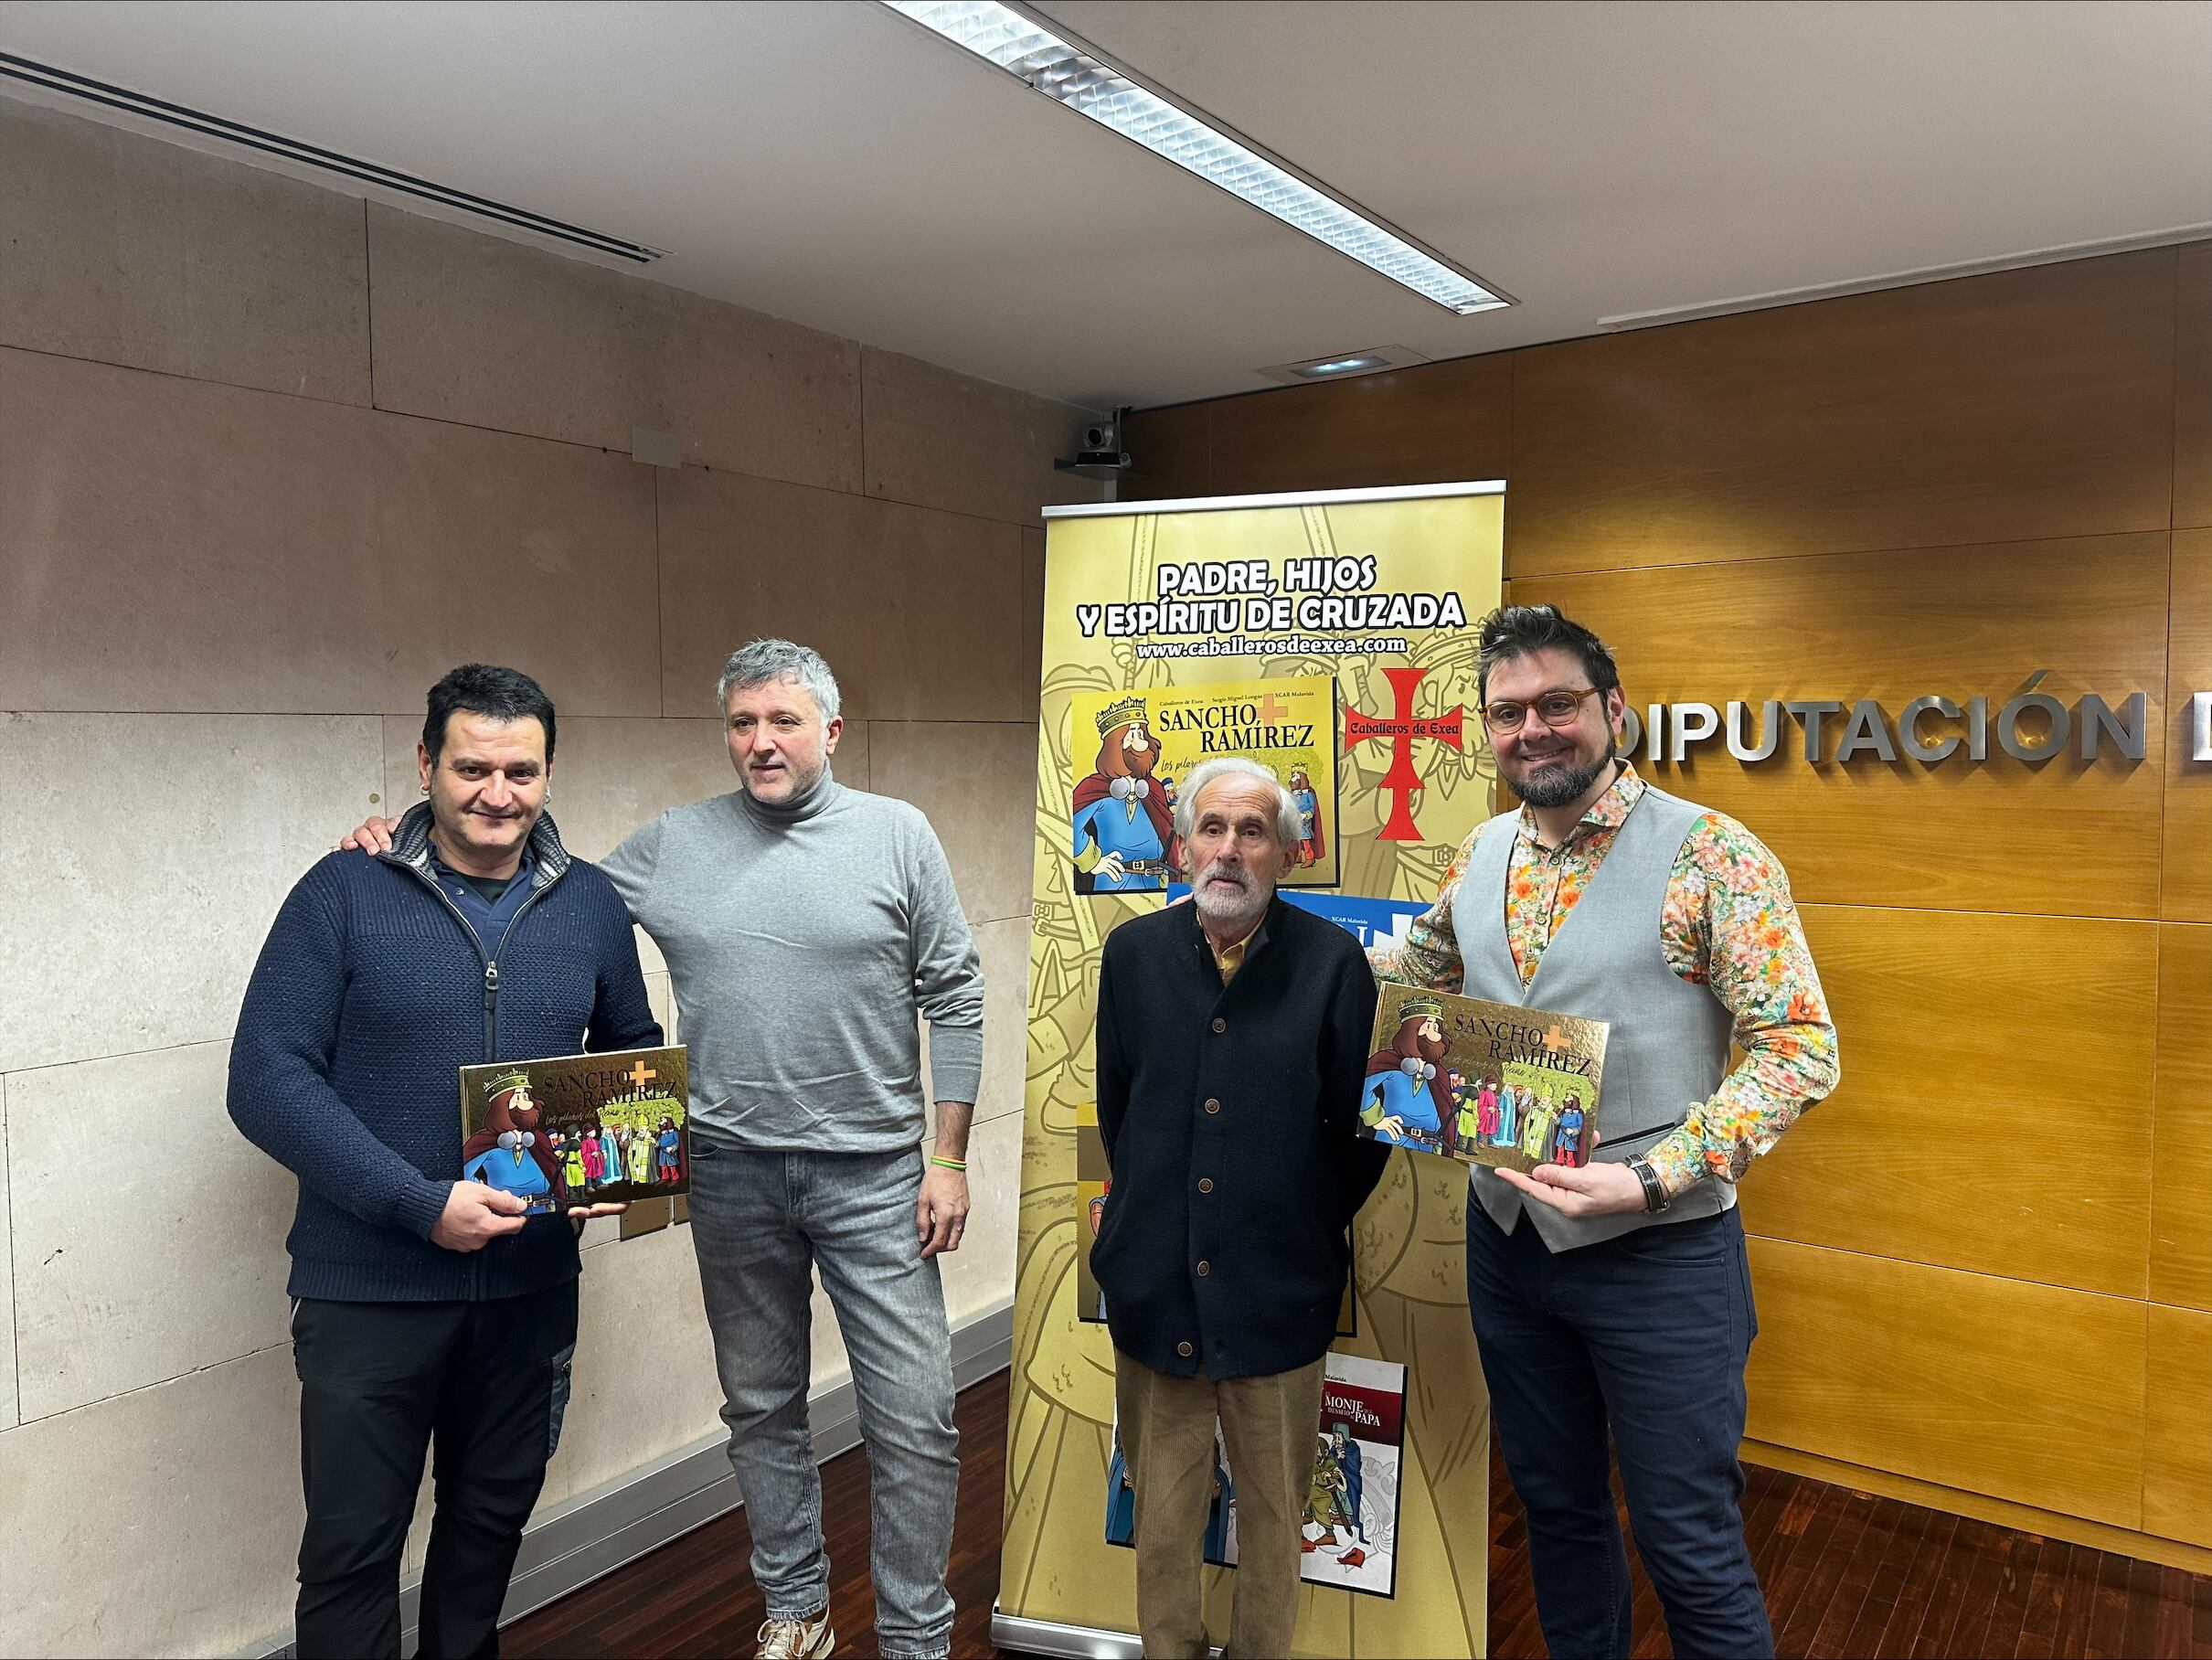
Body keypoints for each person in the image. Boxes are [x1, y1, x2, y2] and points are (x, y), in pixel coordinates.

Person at [345, 639, 981, 1660]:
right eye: (741, 722)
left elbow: (955, 992)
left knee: (915, 1419)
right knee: (761, 1406)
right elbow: (540, 880)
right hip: (728, 1172)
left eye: (782, 721)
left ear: (832, 730)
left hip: (876, 1177)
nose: (760, 742)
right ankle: (799, 1611)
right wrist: (402, 841)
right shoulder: (672, 845)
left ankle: (915, 1638)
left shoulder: (899, 836)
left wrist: (945, 1156)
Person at [1376, 604, 1839, 1660]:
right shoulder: (1481, 849)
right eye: (1507, 712)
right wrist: (1267, 941)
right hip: (1506, 1246)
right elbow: (1418, 979)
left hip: (1660, 1257)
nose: (1531, 729)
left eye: (1556, 704)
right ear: (1484, 728)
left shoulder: (1711, 853)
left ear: (1612, 710)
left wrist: (1650, 1179)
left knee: (1687, 1545)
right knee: (1557, 1512)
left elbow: (1797, 1047)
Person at [229, 664, 651, 1659]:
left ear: (549, 774)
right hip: (368, 1293)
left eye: (521, 770)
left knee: (485, 1536)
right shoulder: (341, 890)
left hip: (528, 1291)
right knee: (349, 1555)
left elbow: (630, 1052)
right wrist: (419, 1204)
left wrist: (610, 1163)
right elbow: (264, 1079)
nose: (496, 793)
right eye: (471, 767)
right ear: (425, 764)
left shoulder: (592, 902)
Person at [1091, 755, 1389, 1659]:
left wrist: (1288, 1227)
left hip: (1277, 1303)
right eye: (1211, 829)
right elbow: (1120, 1109)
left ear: (1286, 854)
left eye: (1252, 830)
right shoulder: (1133, 954)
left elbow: (1360, 1135)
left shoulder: (1333, 964)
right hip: (1153, 1299)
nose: (1228, 850)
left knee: (1271, 1533)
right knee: (1163, 1528)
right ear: (1181, 844)